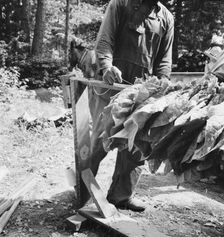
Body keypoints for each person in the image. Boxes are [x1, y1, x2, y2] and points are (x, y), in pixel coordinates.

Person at [79, 0, 174, 212]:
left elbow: (164, 58)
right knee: (101, 141)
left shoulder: (166, 17)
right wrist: (106, 66)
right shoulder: (120, 4)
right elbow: (104, 41)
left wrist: (163, 81)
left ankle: (121, 197)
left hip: (142, 91)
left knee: (136, 144)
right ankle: (84, 193)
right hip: (110, 87)